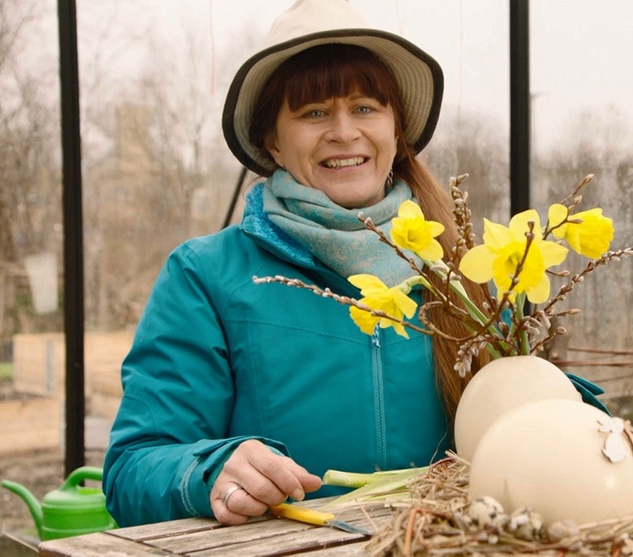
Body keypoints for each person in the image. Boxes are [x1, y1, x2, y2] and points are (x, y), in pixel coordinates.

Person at [103, 0, 494, 527]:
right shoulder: (206, 274)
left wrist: (567, 412)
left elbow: (528, 407)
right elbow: (132, 470)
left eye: (365, 107)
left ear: (396, 131)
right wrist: (205, 472)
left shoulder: (461, 269)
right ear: (273, 143)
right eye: (313, 113)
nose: (343, 131)